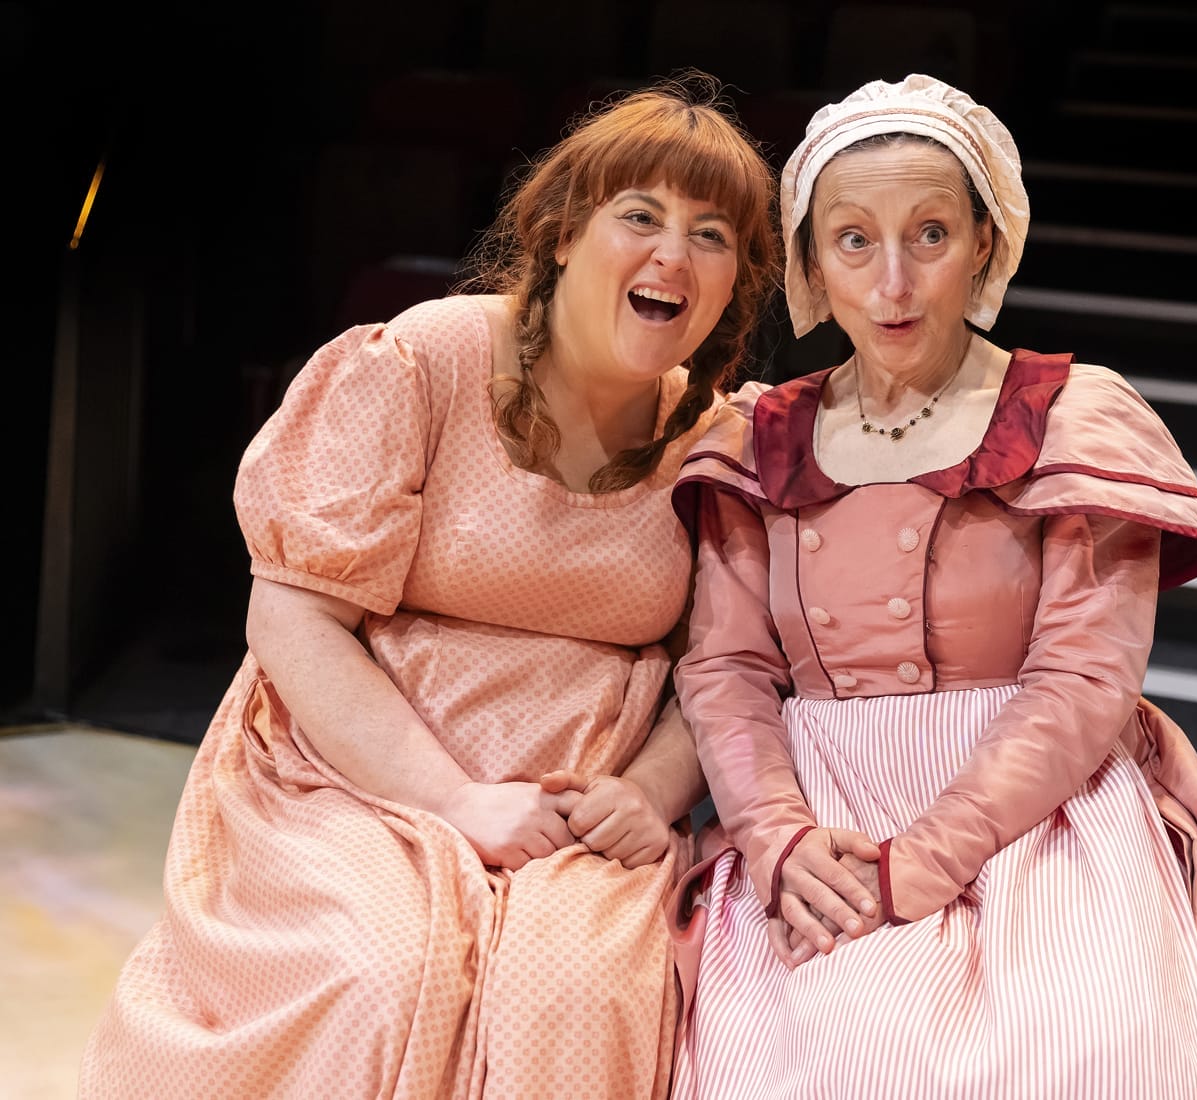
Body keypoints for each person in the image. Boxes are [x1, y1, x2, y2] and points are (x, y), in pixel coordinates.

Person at [667, 74, 1197, 1098]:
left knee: (1085, 1046)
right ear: (812, 263)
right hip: (823, 805)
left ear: (987, 245)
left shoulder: (1072, 418)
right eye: (854, 241)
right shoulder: (760, 439)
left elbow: (1084, 680)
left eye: (931, 234)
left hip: (1041, 808)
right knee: (814, 1050)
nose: (893, 281)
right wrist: (779, 840)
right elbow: (726, 667)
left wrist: (928, 858)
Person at [79, 75, 778, 1100]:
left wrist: (650, 792)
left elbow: (718, 664)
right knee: (384, 968)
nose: (674, 254)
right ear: (562, 236)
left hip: (582, 797)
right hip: (356, 769)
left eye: (711, 235)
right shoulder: (425, 359)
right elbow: (294, 612)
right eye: (641, 216)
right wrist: (452, 798)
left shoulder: (720, 436)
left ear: (731, 283)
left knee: (576, 992)